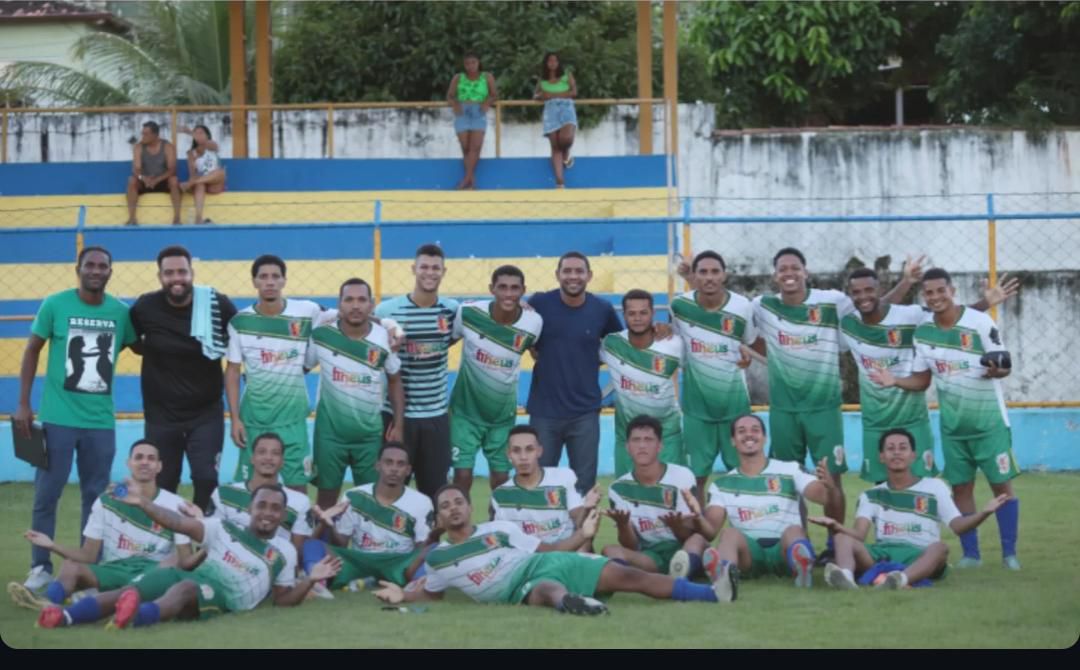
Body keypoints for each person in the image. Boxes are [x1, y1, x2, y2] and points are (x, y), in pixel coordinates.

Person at [372, 483, 727, 615]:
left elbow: (553, 547)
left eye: (458, 502)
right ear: (439, 516)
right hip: (518, 587)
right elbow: (432, 595)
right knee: (545, 591)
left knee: (630, 576)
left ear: (469, 507)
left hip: (548, 561)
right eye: (445, 505)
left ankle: (714, 593)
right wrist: (403, 596)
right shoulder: (437, 558)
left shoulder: (501, 528)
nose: (453, 507)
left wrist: (583, 531)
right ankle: (574, 604)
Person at [869, 268, 1021, 570]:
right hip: (953, 427)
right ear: (924, 296)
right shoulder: (923, 332)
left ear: (952, 290)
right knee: (961, 488)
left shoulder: (979, 321)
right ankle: (971, 555)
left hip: (989, 423)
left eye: (941, 290)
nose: (936, 297)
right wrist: (895, 381)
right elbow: (922, 381)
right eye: (929, 292)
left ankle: (1009, 554)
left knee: (1001, 486)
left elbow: (1003, 362)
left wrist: (997, 370)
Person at [34, 484, 341, 629]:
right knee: (138, 586)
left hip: (222, 595)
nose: (268, 513)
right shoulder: (223, 527)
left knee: (184, 591)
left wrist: (309, 581)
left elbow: (283, 599)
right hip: (189, 574)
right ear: (250, 508)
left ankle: (136, 617)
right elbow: (178, 523)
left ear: (281, 515)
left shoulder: (285, 552)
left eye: (276, 509)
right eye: (262, 506)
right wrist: (142, 503)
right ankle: (65, 617)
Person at [12, 246, 136, 594]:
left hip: (100, 422)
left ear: (111, 271)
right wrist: (23, 402)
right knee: (46, 494)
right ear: (77, 269)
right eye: (90, 265)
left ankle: (85, 571)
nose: (96, 270)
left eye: (102, 266)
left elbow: (129, 346)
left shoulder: (119, 312)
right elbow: (32, 349)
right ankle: (39, 566)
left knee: (96, 498)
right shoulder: (55, 304)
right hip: (56, 420)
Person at [840, 265, 1019, 484]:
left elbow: (948, 316)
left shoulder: (912, 316)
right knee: (883, 487)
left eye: (870, 290)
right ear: (849, 295)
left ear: (880, 289)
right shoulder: (847, 325)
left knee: (922, 484)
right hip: (874, 420)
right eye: (856, 292)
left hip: (913, 417)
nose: (864, 296)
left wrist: (985, 303)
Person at [8, 440, 196, 612]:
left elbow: (185, 560)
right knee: (71, 566)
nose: (145, 462)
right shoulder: (106, 501)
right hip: (114, 570)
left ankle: (111, 599)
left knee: (174, 559)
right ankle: (45, 602)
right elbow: (88, 555)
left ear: (159, 466)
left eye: (151, 458)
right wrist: (52, 545)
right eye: (138, 457)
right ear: (129, 463)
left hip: (153, 571)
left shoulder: (176, 505)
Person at [815, 428, 1010, 590]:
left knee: (940, 548)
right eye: (890, 449)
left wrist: (984, 513)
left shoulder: (935, 487)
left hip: (920, 554)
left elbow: (958, 526)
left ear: (913, 455)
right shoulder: (870, 495)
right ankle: (846, 580)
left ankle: (900, 580)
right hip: (883, 554)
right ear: (881, 457)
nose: (897, 452)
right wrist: (836, 526)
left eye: (902, 448)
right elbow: (858, 534)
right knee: (841, 538)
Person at [130, 244, 237, 512]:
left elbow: (241, 339)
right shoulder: (145, 307)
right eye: (169, 273)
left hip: (206, 412)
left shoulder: (216, 304)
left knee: (206, 479)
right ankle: (167, 542)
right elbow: (131, 340)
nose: (176, 278)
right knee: (164, 481)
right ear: (159, 277)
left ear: (192, 273)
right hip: (161, 414)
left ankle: (201, 535)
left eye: (182, 272)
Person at [697, 414, 840, 602]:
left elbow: (821, 497)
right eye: (741, 431)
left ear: (764, 438)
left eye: (755, 430)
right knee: (729, 534)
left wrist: (829, 487)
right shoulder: (721, 484)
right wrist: (697, 517)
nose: (749, 435)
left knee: (795, 531)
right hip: (749, 553)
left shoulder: (790, 469)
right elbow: (711, 529)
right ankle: (724, 578)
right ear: (733, 441)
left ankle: (802, 569)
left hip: (784, 548)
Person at [226, 255, 325, 493]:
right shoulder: (240, 322)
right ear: (254, 282)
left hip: (292, 418)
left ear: (284, 281)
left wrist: (388, 325)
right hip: (254, 419)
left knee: (297, 489)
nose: (269, 282)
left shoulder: (307, 311)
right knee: (251, 489)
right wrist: (235, 418)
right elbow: (232, 370)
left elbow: (345, 315)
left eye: (275, 276)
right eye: (263, 277)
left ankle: (295, 531)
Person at [526, 251, 623, 494]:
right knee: (540, 483)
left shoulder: (602, 309)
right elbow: (519, 328)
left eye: (579, 271)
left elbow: (621, 346)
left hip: (585, 413)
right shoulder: (539, 304)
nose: (573, 276)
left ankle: (582, 533)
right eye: (567, 271)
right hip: (544, 412)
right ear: (557, 275)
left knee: (584, 487)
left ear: (589, 276)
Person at [308, 278, 404, 510]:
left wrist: (399, 424)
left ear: (371, 305)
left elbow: (395, 380)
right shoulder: (321, 335)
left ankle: (366, 546)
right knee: (326, 500)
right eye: (349, 299)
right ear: (339, 304)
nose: (355, 305)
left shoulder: (384, 338)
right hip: (329, 435)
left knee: (369, 501)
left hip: (369, 436)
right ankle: (324, 546)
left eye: (362, 300)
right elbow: (300, 366)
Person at [670, 250, 759, 502]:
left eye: (714, 272)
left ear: (725, 275)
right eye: (703, 272)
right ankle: (698, 532)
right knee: (695, 477)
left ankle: (742, 532)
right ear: (694, 276)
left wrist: (748, 356)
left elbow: (750, 343)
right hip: (697, 409)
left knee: (740, 473)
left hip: (735, 407)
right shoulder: (680, 306)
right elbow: (676, 346)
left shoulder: (742, 306)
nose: (709, 277)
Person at [374, 244, 460, 500]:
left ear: (444, 271)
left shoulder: (452, 310)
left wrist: (529, 304)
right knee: (391, 490)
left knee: (436, 494)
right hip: (396, 417)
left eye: (436, 268)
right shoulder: (387, 311)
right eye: (424, 267)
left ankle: (432, 541)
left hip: (436, 417)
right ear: (414, 269)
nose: (430, 273)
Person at [450, 265, 543, 494]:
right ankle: (461, 529)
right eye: (502, 287)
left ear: (523, 290)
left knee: (501, 479)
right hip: (464, 414)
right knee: (462, 476)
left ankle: (498, 526)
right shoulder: (468, 313)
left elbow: (538, 353)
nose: (508, 294)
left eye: (514, 288)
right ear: (491, 289)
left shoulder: (533, 322)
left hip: (502, 417)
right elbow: (445, 341)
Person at [301, 442, 434, 597]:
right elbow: (342, 544)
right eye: (388, 462)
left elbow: (420, 547)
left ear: (408, 470)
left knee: (433, 548)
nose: (394, 469)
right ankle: (318, 586)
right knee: (312, 545)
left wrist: (432, 540)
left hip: (398, 562)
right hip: (360, 561)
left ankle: (417, 586)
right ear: (377, 465)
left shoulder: (422, 501)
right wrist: (327, 525)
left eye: (400, 464)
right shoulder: (354, 496)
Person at [602, 416, 706, 580]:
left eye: (648, 440)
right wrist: (623, 525)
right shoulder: (618, 488)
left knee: (698, 540)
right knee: (609, 550)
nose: (642, 445)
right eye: (636, 440)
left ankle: (684, 572)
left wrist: (676, 527)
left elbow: (690, 533)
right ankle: (625, 581)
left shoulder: (682, 476)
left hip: (682, 546)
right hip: (650, 555)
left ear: (660, 446)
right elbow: (632, 546)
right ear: (627, 447)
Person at [601, 290, 686, 476]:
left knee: (673, 494)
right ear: (623, 315)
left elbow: (698, 369)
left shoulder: (673, 344)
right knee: (627, 496)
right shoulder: (611, 344)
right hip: (627, 437)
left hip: (668, 434)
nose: (637, 318)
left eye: (643, 312)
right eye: (631, 313)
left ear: (653, 314)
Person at [490, 425, 600, 545]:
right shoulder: (500, 495)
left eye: (529, 449)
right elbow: (502, 541)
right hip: (529, 560)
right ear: (508, 454)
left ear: (539, 451)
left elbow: (580, 524)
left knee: (589, 549)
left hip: (566, 553)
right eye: (516, 450)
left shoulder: (563, 477)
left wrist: (588, 508)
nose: (523, 457)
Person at [209, 432, 313, 555]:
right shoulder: (224, 493)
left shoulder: (300, 502)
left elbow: (298, 555)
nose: (268, 457)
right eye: (262, 452)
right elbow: (211, 539)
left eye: (275, 453)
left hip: (274, 568)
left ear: (282, 461)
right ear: (252, 459)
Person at [447, 52, 497, 190]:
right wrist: (455, 104)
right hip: (462, 111)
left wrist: (487, 102)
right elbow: (450, 96)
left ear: (478, 63)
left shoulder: (487, 77)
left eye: (473, 63)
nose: (471, 66)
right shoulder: (458, 77)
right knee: (466, 147)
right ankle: (471, 181)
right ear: (464, 65)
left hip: (478, 111)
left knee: (475, 147)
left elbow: (494, 95)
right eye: (467, 63)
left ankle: (466, 180)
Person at [535, 51, 578, 188]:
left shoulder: (566, 75)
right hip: (550, 111)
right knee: (555, 146)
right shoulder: (542, 80)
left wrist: (554, 94)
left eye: (555, 61)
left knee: (566, 139)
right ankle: (560, 181)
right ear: (546, 63)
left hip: (566, 108)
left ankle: (566, 155)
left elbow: (574, 92)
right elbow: (536, 95)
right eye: (549, 61)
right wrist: (542, 95)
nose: (552, 63)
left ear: (559, 63)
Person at [125, 120, 180, 226]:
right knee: (131, 180)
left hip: (163, 181)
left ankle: (177, 218)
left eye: (146, 134)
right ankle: (132, 219)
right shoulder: (138, 147)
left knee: (174, 180)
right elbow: (136, 170)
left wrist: (157, 180)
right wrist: (143, 178)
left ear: (155, 135)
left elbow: (172, 170)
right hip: (145, 182)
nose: (143, 137)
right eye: (142, 133)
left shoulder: (168, 146)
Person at [179, 124, 226, 225]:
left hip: (215, 184)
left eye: (201, 133)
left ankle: (194, 182)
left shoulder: (212, 146)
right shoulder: (191, 153)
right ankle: (198, 218)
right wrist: (194, 180)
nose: (197, 135)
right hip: (201, 183)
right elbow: (192, 174)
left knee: (221, 172)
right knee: (199, 183)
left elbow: (204, 142)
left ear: (208, 135)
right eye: (196, 133)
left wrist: (189, 132)